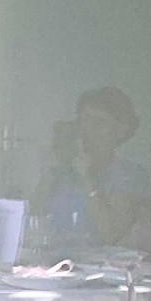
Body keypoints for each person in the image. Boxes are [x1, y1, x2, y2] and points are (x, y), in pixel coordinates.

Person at [37, 86, 149, 248]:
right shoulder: (63, 172)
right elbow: (31, 222)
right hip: (56, 264)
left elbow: (110, 235)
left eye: (98, 123)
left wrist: (87, 179)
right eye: (83, 121)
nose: (87, 131)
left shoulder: (130, 176)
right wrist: (48, 174)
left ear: (121, 131)